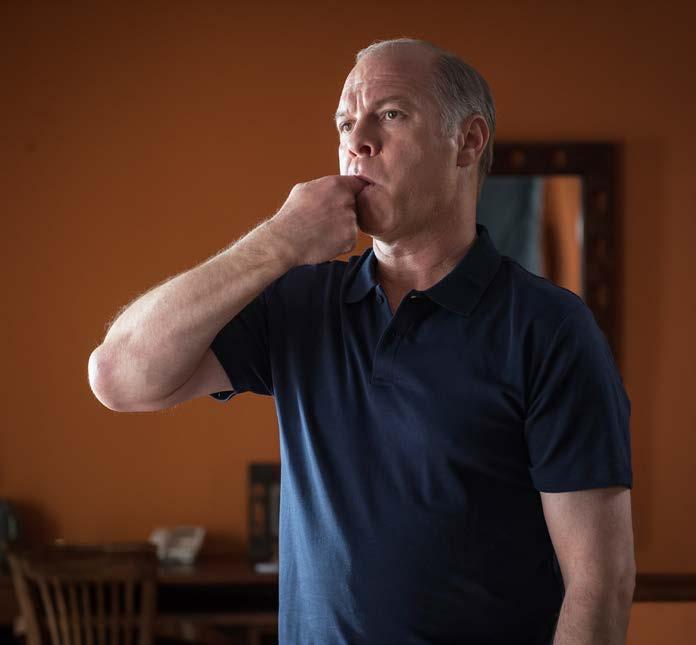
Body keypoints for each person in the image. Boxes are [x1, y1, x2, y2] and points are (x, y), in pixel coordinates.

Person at [89, 38, 636, 645]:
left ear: (468, 141)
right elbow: (118, 378)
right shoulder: (299, 303)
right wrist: (276, 242)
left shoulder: (550, 328)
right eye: (346, 123)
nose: (358, 141)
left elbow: (600, 585)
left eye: (390, 114)